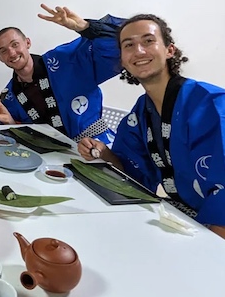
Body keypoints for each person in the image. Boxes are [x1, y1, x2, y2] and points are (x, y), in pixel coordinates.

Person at [77, 14, 225, 239]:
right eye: (129, 45)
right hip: (185, 220)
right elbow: (129, 169)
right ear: (123, 60)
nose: (139, 51)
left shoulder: (210, 104)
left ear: (169, 50)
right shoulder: (141, 112)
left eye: (148, 41)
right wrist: (103, 152)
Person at [0, 4, 123, 144]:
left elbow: (119, 46)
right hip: (52, 157)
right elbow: (20, 143)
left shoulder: (65, 59)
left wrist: (84, 27)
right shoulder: (10, 95)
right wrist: (10, 122)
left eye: (15, 44)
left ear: (27, 43)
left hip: (97, 145)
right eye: (3, 51)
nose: (11, 53)